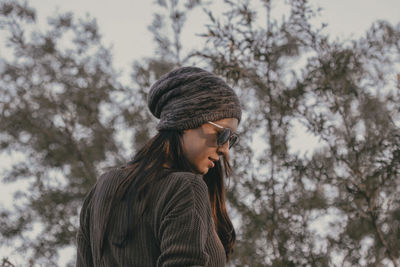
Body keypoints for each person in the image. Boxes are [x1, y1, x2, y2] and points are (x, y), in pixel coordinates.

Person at [76, 66, 242, 266]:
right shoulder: (184, 187)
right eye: (222, 134)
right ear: (187, 121)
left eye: (231, 140)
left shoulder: (101, 189)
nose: (225, 150)